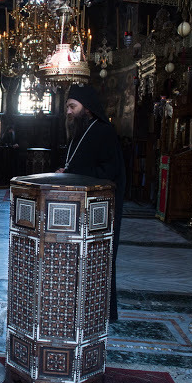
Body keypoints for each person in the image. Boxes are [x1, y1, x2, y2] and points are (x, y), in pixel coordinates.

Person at [55, 84, 125, 323]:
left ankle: (102, 311)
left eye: (72, 106)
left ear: (88, 109)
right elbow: (78, 164)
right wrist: (67, 172)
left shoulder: (104, 131)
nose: (68, 111)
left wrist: (76, 173)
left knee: (98, 261)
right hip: (79, 209)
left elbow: (109, 170)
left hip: (100, 212)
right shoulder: (79, 132)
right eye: (67, 107)